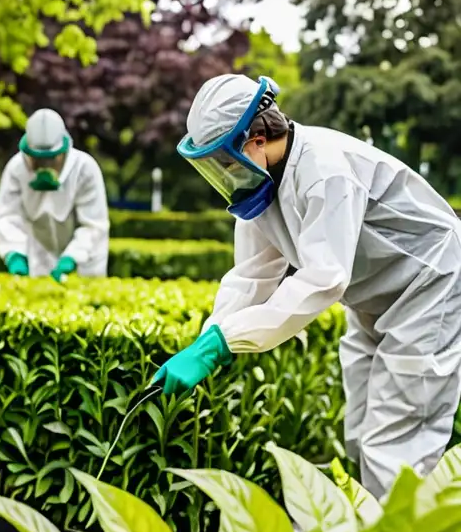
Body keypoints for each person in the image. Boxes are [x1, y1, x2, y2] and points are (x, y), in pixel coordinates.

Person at [153, 72, 461, 500]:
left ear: (255, 138)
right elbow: (251, 276)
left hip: (430, 286)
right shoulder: (261, 185)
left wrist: (225, 342)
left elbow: (323, 279)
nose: (221, 174)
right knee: (360, 428)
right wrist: (208, 339)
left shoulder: (324, 169)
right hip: (375, 299)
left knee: (397, 441)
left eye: (222, 160)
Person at [0, 108, 110, 282]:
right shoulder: (17, 169)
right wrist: (14, 253)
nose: (44, 166)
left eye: (50, 159)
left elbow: (93, 224)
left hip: (86, 262)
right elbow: (7, 215)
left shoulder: (84, 169)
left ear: (63, 152)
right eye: (38, 159)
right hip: (39, 255)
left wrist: (72, 257)